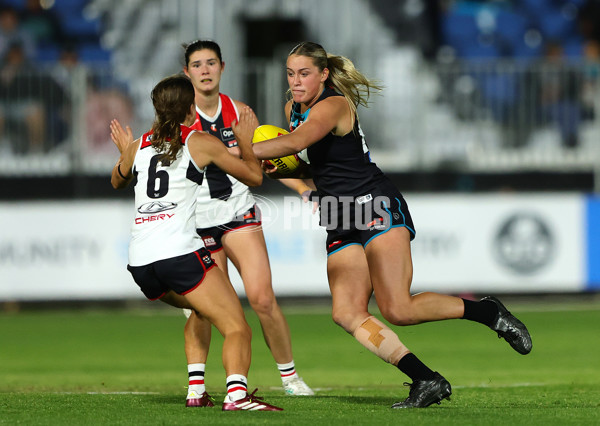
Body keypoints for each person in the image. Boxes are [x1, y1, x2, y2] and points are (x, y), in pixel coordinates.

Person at [251, 41, 533, 409]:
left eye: (304, 73)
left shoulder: (334, 104)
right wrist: (291, 170)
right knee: (347, 312)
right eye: (291, 73)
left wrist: (232, 151)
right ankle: (425, 378)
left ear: (323, 74)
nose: (296, 81)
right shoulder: (294, 108)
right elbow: (317, 162)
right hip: (339, 213)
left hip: (374, 204)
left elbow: (297, 141)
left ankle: (488, 312)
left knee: (398, 309)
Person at [109, 74, 282, 411]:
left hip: (141, 264)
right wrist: (246, 140)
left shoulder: (139, 144)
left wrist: (123, 154)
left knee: (202, 312)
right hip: (178, 254)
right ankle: (237, 396)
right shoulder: (198, 140)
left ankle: (196, 391)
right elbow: (255, 176)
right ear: (191, 108)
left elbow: (117, 179)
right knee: (237, 327)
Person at [181, 40, 313, 406]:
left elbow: (267, 158)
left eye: (210, 63)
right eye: (197, 64)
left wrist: (302, 187)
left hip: (238, 214)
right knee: (204, 307)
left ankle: (290, 376)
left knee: (263, 299)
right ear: (186, 73)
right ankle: (196, 386)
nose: (205, 70)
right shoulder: (179, 118)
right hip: (196, 222)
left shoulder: (240, 113)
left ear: (223, 67)